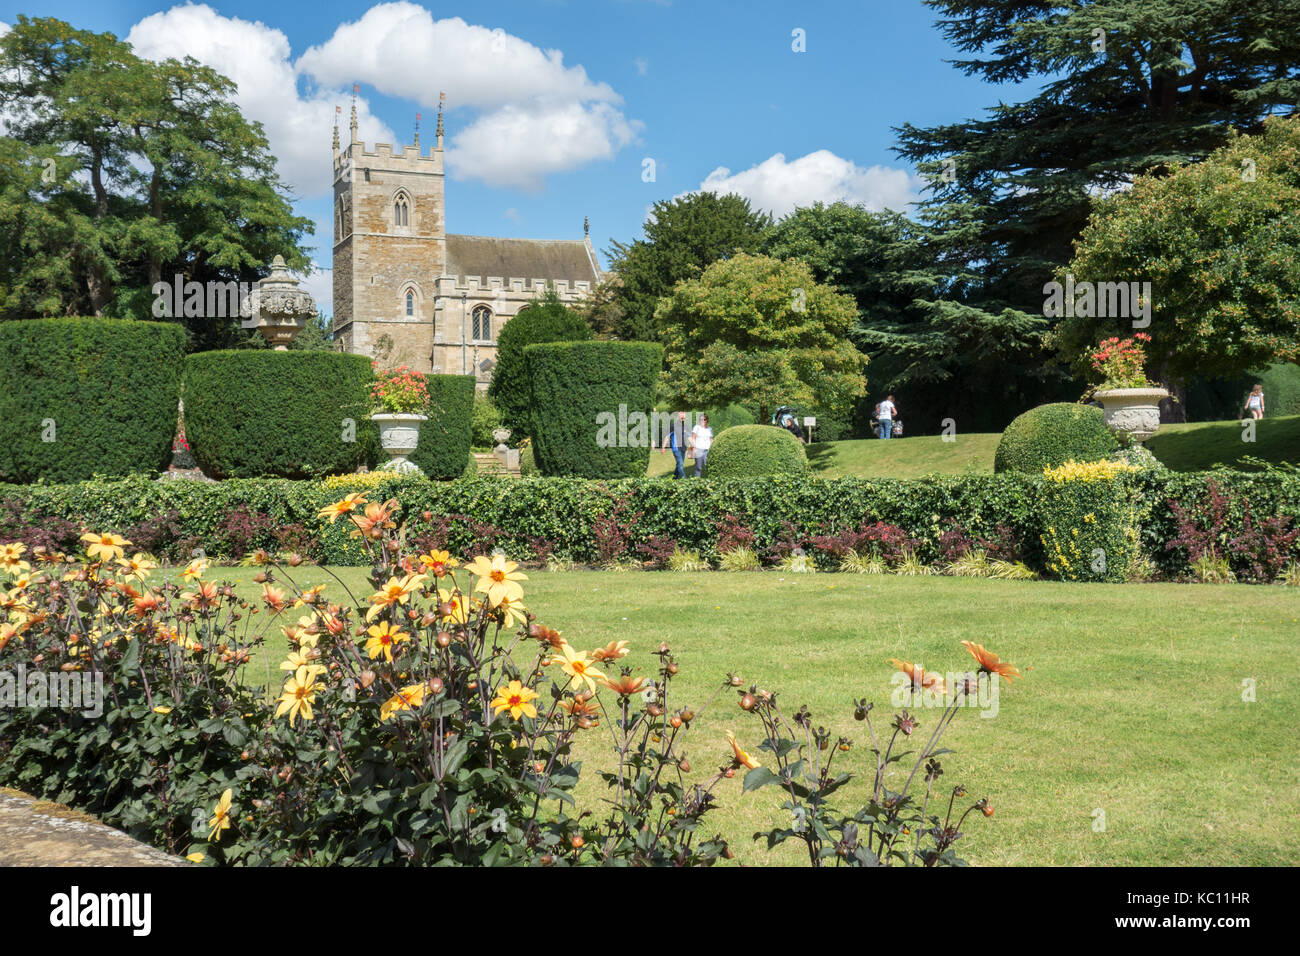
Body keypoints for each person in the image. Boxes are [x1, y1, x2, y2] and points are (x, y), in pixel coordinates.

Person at [659, 410, 688, 478]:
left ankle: (674, 478)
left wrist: (692, 445)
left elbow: (688, 437)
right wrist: (663, 447)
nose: (683, 419)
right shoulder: (673, 426)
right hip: (676, 448)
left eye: (684, 418)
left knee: (679, 465)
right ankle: (685, 480)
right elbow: (667, 437)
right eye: (682, 418)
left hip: (683, 448)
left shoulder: (685, 426)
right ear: (678, 417)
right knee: (680, 464)